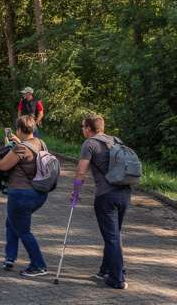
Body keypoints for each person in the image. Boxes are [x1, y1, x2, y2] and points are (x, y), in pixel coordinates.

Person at [70, 114, 131, 289]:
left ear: (89, 129)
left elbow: (81, 171)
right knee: (114, 234)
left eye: (83, 126)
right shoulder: (116, 140)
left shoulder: (89, 143)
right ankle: (105, 270)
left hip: (106, 196)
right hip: (125, 192)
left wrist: (75, 192)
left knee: (112, 237)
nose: (82, 129)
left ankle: (117, 278)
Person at [0, 115, 49, 277]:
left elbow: (3, 165)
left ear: (19, 130)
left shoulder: (20, 149)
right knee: (12, 222)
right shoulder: (41, 144)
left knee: (23, 230)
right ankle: (10, 257)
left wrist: (9, 148)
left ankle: (38, 265)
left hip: (20, 195)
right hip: (39, 193)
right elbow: (30, 156)